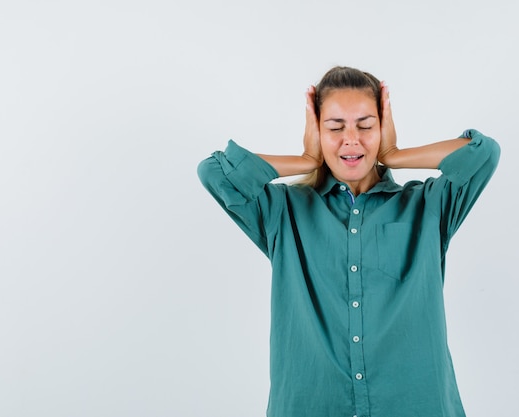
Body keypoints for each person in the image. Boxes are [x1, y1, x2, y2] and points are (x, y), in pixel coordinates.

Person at [197, 66, 500, 417]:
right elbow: (214, 172)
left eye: (366, 126)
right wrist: (305, 160)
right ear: (317, 131)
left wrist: (394, 155)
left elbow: (483, 153)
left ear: (383, 128)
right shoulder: (282, 211)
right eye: (335, 127)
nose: (351, 140)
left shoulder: (428, 206)